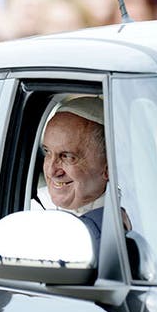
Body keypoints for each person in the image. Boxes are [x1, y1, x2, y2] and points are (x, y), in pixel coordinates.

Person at [40, 96, 108, 245]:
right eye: (47, 152)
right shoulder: (30, 209)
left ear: (108, 168)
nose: (51, 171)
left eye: (68, 157)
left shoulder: (132, 214)